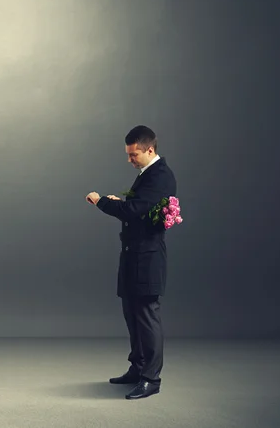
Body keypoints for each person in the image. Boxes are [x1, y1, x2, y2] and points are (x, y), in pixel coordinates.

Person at [86, 125, 176, 400]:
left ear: (150, 150)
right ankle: (137, 369)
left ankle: (151, 378)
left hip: (147, 258)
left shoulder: (160, 175)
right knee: (132, 315)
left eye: (133, 154)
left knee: (147, 316)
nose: (130, 159)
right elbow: (140, 207)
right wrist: (121, 201)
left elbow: (136, 210)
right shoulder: (147, 174)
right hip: (134, 255)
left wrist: (101, 202)